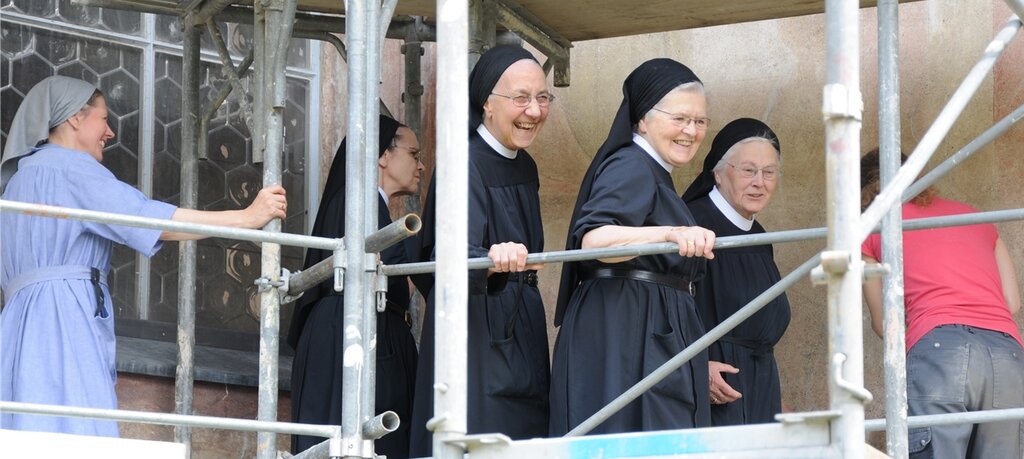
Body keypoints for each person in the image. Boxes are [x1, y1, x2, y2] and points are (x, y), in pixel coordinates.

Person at [0, 75, 287, 437]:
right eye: (103, 119)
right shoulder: (71, 168)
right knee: (76, 431)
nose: (111, 133)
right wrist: (245, 218)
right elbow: (149, 220)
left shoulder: (18, 181)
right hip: (63, 320)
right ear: (74, 117)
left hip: (15, 329)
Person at [551, 58, 715, 436]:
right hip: (627, 330)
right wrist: (669, 234)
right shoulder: (632, 165)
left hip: (642, 326)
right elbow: (593, 241)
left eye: (700, 121)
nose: (691, 131)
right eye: (680, 119)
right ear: (642, 119)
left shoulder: (652, 170)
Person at [409, 45, 552, 456]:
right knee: (480, 437)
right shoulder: (463, 161)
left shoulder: (526, 165)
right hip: (476, 328)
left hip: (523, 319)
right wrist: (490, 260)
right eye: (521, 98)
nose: (535, 111)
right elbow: (443, 255)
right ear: (487, 102)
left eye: (542, 98)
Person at [860, 148, 1024, 459]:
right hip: (1008, 352)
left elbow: (886, 325)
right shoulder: (978, 218)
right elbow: (1012, 302)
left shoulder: (875, 226)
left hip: (941, 351)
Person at [287, 115, 423, 458]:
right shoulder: (354, 204)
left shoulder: (368, 205)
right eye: (414, 154)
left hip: (365, 331)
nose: (421, 166)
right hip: (350, 334)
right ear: (383, 155)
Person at [680, 118, 790, 425]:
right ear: (717, 172)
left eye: (769, 172)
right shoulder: (690, 226)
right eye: (748, 170)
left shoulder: (760, 236)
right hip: (711, 389)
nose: (759, 181)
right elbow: (668, 309)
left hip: (758, 385)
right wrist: (697, 365)